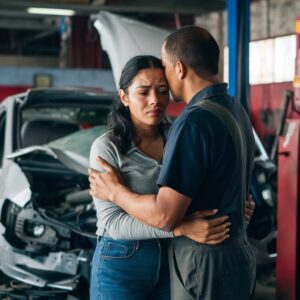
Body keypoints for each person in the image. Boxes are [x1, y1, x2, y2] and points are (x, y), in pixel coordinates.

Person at [89, 26, 256, 300]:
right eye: (143, 92)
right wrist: (181, 228)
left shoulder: (185, 129)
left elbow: (168, 213)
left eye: (162, 89)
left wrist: (116, 191)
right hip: (124, 263)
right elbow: (113, 223)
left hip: (178, 260)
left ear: (178, 70)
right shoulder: (107, 148)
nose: (155, 100)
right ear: (124, 97)